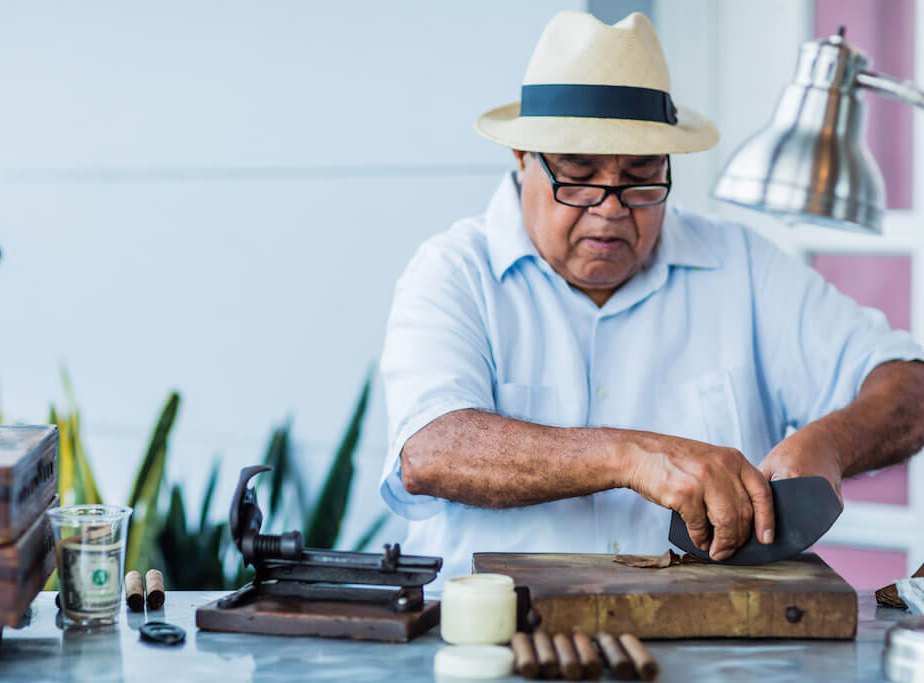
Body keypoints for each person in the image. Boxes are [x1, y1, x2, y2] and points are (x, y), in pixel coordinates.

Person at [378, 11, 924, 583]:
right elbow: (431, 451)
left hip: (711, 654)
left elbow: (909, 386)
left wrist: (831, 444)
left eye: (640, 176)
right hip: (503, 646)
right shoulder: (453, 271)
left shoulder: (741, 264)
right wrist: (633, 456)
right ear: (522, 158)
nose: (611, 207)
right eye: (580, 174)